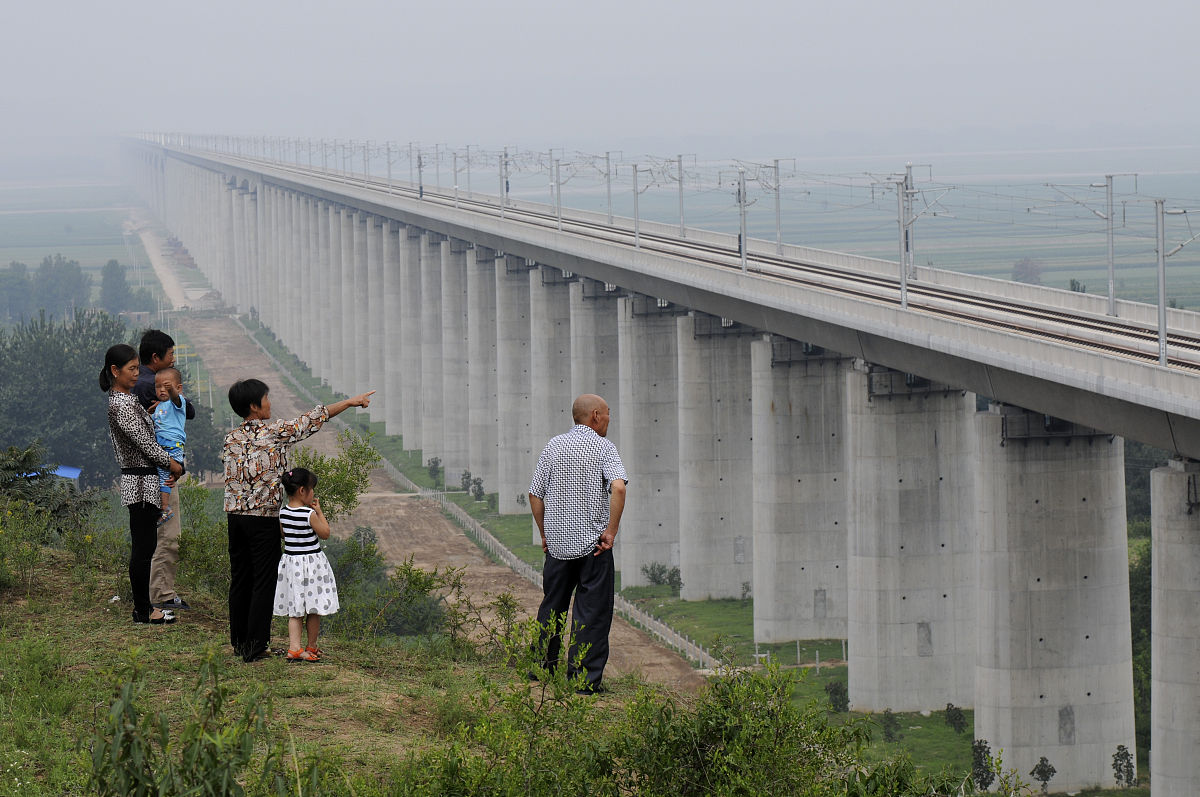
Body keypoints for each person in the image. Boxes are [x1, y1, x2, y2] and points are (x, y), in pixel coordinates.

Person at [222, 378, 373, 662]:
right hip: (263, 518)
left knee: (240, 579)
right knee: (262, 582)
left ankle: (240, 642)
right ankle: (255, 647)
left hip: (234, 517)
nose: (270, 403)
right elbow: (313, 418)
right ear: (254, 406)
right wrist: (350, 402)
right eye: (266, 398)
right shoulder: (275, 432)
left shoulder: (230, 438)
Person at [528, 393, 628, 694]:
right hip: (593, 548)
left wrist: (546, 533)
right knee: (592, 614)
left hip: (557, 547)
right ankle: (583, 681)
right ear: (595, 415)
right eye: (608, 413)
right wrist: (611, 531)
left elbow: (535, 494)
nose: (610, 419)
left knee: (552, 607)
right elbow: (619, 488)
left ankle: (540, 669)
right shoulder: (604, 447)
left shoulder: (553, 445)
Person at [99, 343, 184, 625]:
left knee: (146, 546)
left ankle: (145, 608)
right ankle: (144, 610)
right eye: (132, 369)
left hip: (146, 477)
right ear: (115, 371)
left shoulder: (127, 399)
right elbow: (146, 444)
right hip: (140, 481)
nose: (137, 374)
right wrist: (173, 465)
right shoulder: (120, 404)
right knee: (143, 548)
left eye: (137, 368)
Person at [135, 329, 196, 612]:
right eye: (171, 355)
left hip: (145, 469)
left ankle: (150, 591)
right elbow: (189, 411)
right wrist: (176, 465)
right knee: (168, 533)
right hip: (163, 467)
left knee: (151, 533)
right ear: (157, 358)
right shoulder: (153, 386)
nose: (174, 360)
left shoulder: (141, 384)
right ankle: (161, 593)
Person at [273, 467, 339, 663]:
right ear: (302, 491)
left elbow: (283, 534)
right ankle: (311, 645)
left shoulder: (283, 512)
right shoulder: (308, 514)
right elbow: (325, 533)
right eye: (312, 490)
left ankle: (295, 648)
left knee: (296, 610)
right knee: (314, 607)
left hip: (292, 564)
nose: (313, 494)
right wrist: (318, 512)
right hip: (311, 565)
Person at [152, 367, 188, 527]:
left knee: (163, 476)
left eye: (166, 387)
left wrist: (172, 391)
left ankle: (165, 508)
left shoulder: (178, 404)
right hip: (162, 447)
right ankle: (163, 507)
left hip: (172, 446)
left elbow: (176, 398)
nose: (161, 390)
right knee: (162, 475)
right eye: (158, 387)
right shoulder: (159, 406)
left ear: (178, 388)